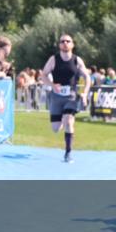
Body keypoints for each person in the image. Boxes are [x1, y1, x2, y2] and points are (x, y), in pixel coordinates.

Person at [40, 34, 90, 163]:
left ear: (72, 44)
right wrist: (52, 85)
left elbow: (87, 77)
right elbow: (44, 75)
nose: (65, 43)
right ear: (59, 45)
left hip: (71, 96)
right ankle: (62, 118)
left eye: (68, 41)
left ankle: (68, 152)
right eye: (62, 41)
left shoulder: (77, 60)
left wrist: (84, 92)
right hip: (56, 96)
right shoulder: (54, 59)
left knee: (68, 120)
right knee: (56, 128)